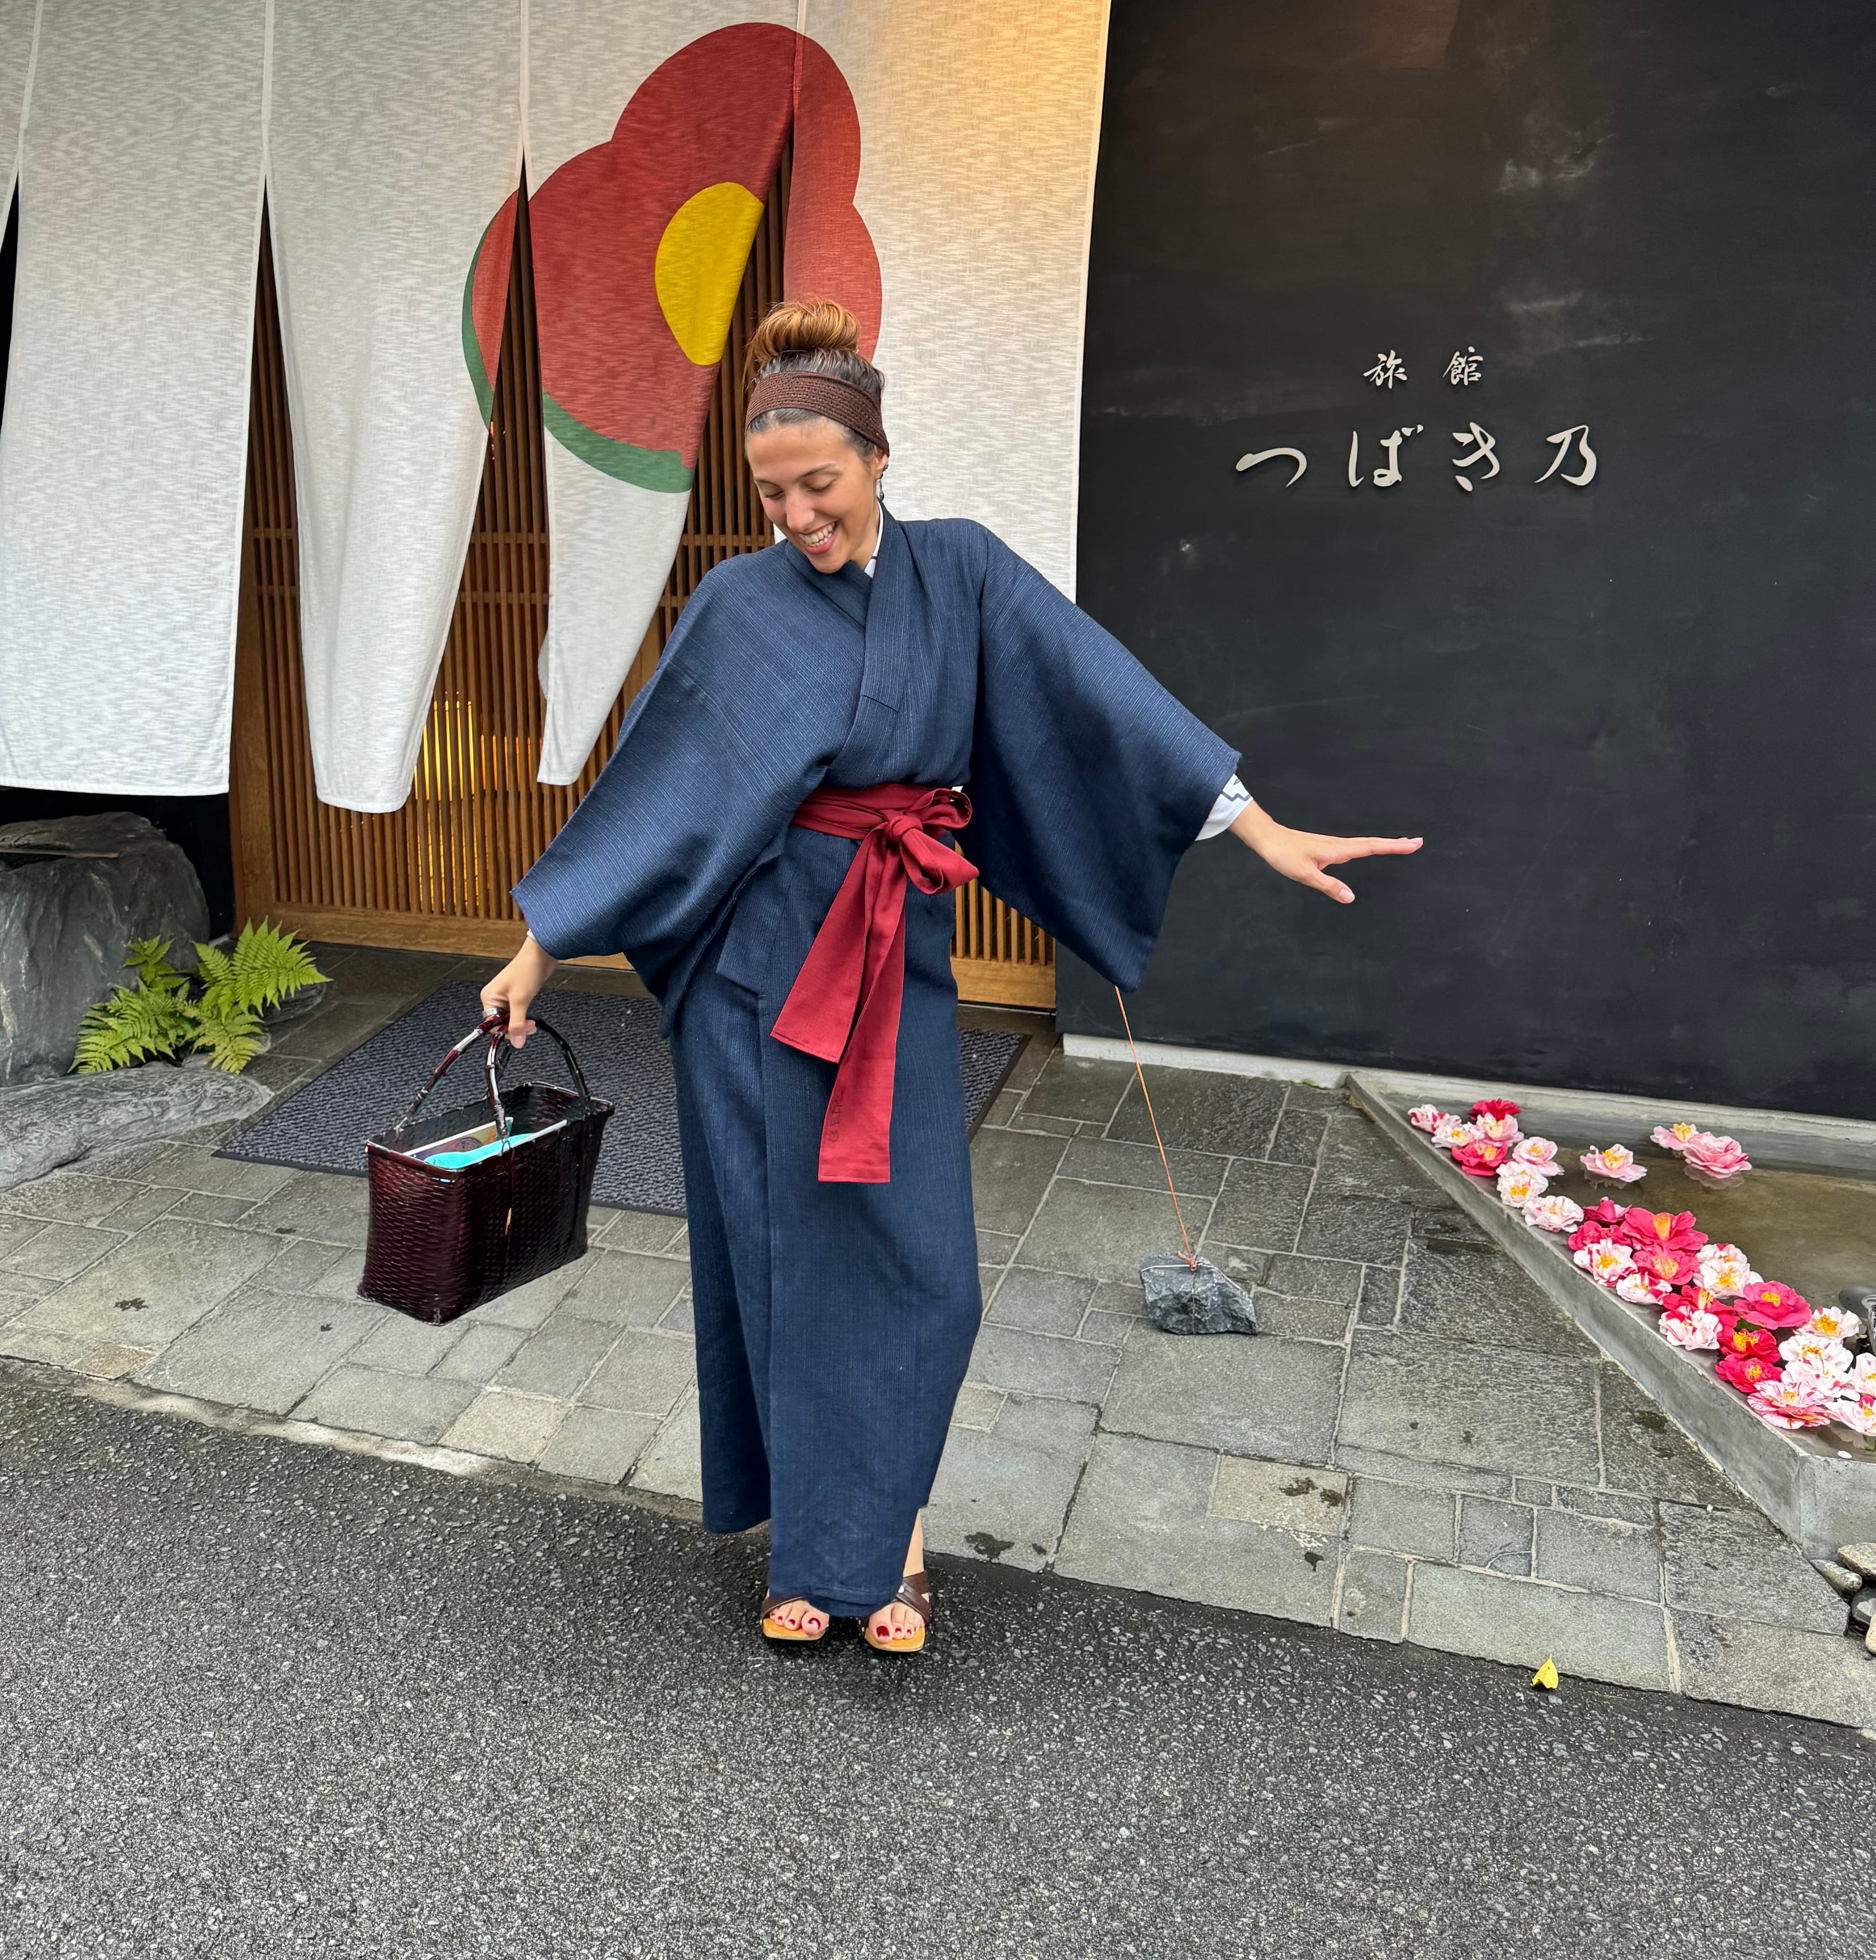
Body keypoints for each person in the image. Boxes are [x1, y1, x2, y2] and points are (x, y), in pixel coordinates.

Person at [481, 300, 1420, 1652]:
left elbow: (1101, 694)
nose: (799, 514)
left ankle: (897, 1531)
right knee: (778, 1248)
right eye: (772, 492)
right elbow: (656, 791)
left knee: (923, 1265)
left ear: (876, 459)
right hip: (757, 973)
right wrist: (537, 947)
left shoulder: (963, 578)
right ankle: (815, 1554)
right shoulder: (742, 606)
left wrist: (1255, 822)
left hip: (888, 959)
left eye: (821, 483)